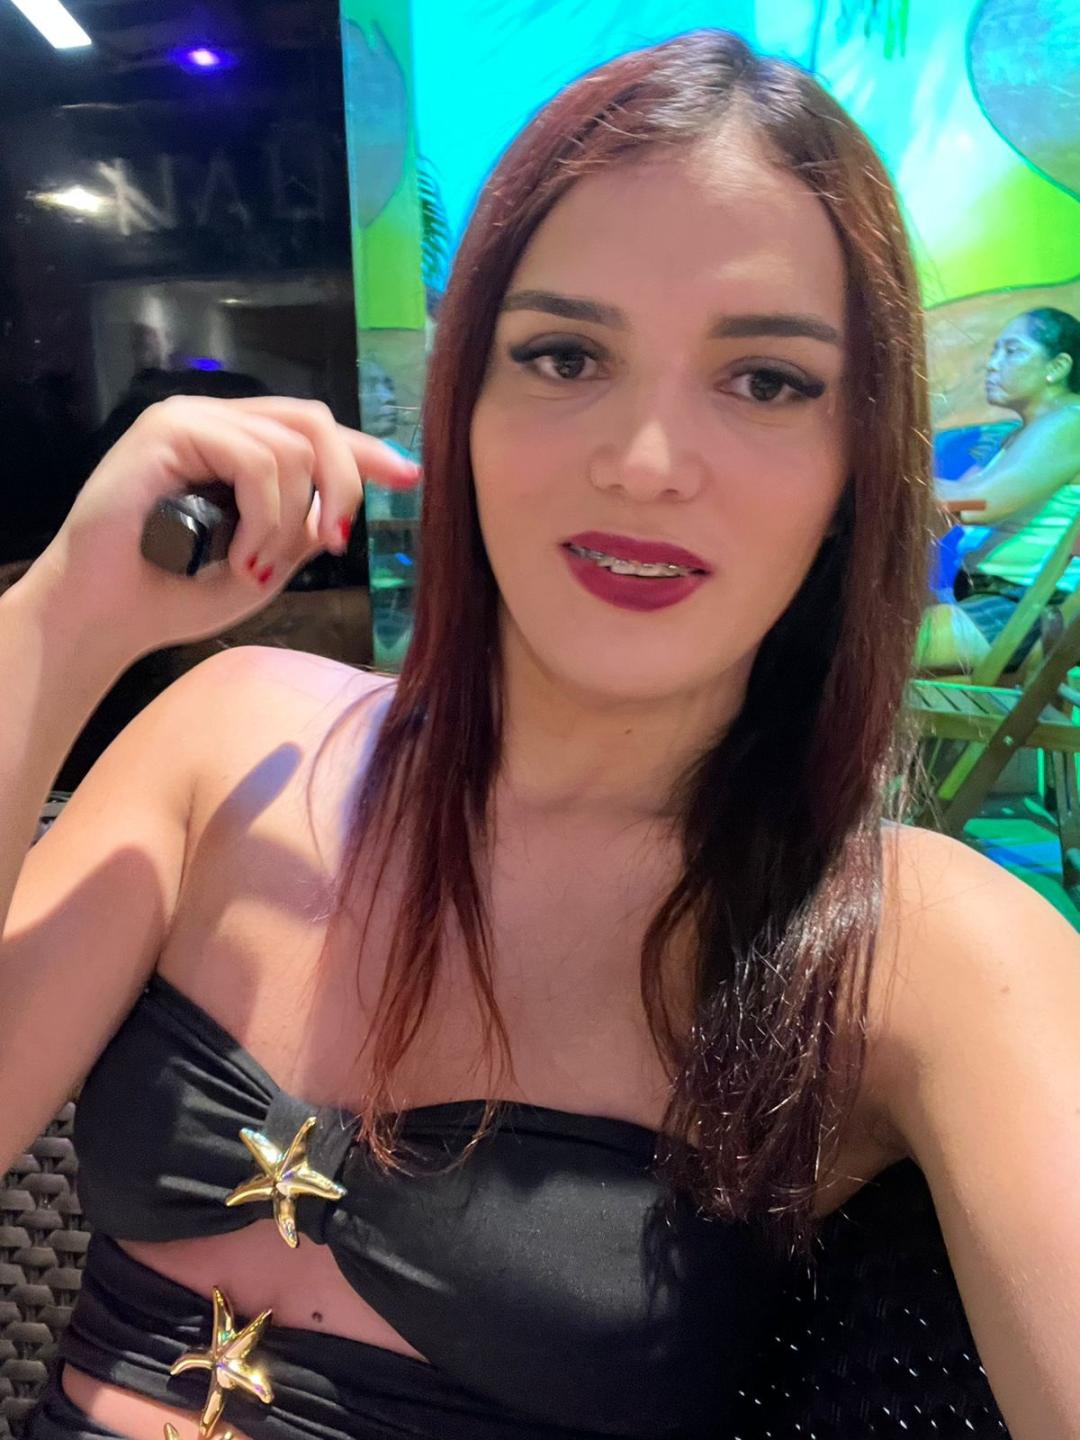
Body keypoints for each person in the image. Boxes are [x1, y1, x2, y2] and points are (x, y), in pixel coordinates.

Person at [1, 29, 1077, 1440]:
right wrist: (59, 618)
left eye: (765, 380)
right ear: (466, 404)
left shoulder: (920, 950)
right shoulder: (235, 742)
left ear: (854, 462)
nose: (644, 463)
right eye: (566, 356)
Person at [918, 307, 1080, 671]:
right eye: (994, 352)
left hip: (1023, 609)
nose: (992, 365)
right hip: (988, 598)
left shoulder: (1071, 422)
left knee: (858, 647)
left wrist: (881, 476)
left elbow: (977, 503)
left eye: (1012, 351)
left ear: (1057, 367)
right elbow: (954, 505)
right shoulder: (1020, 435)